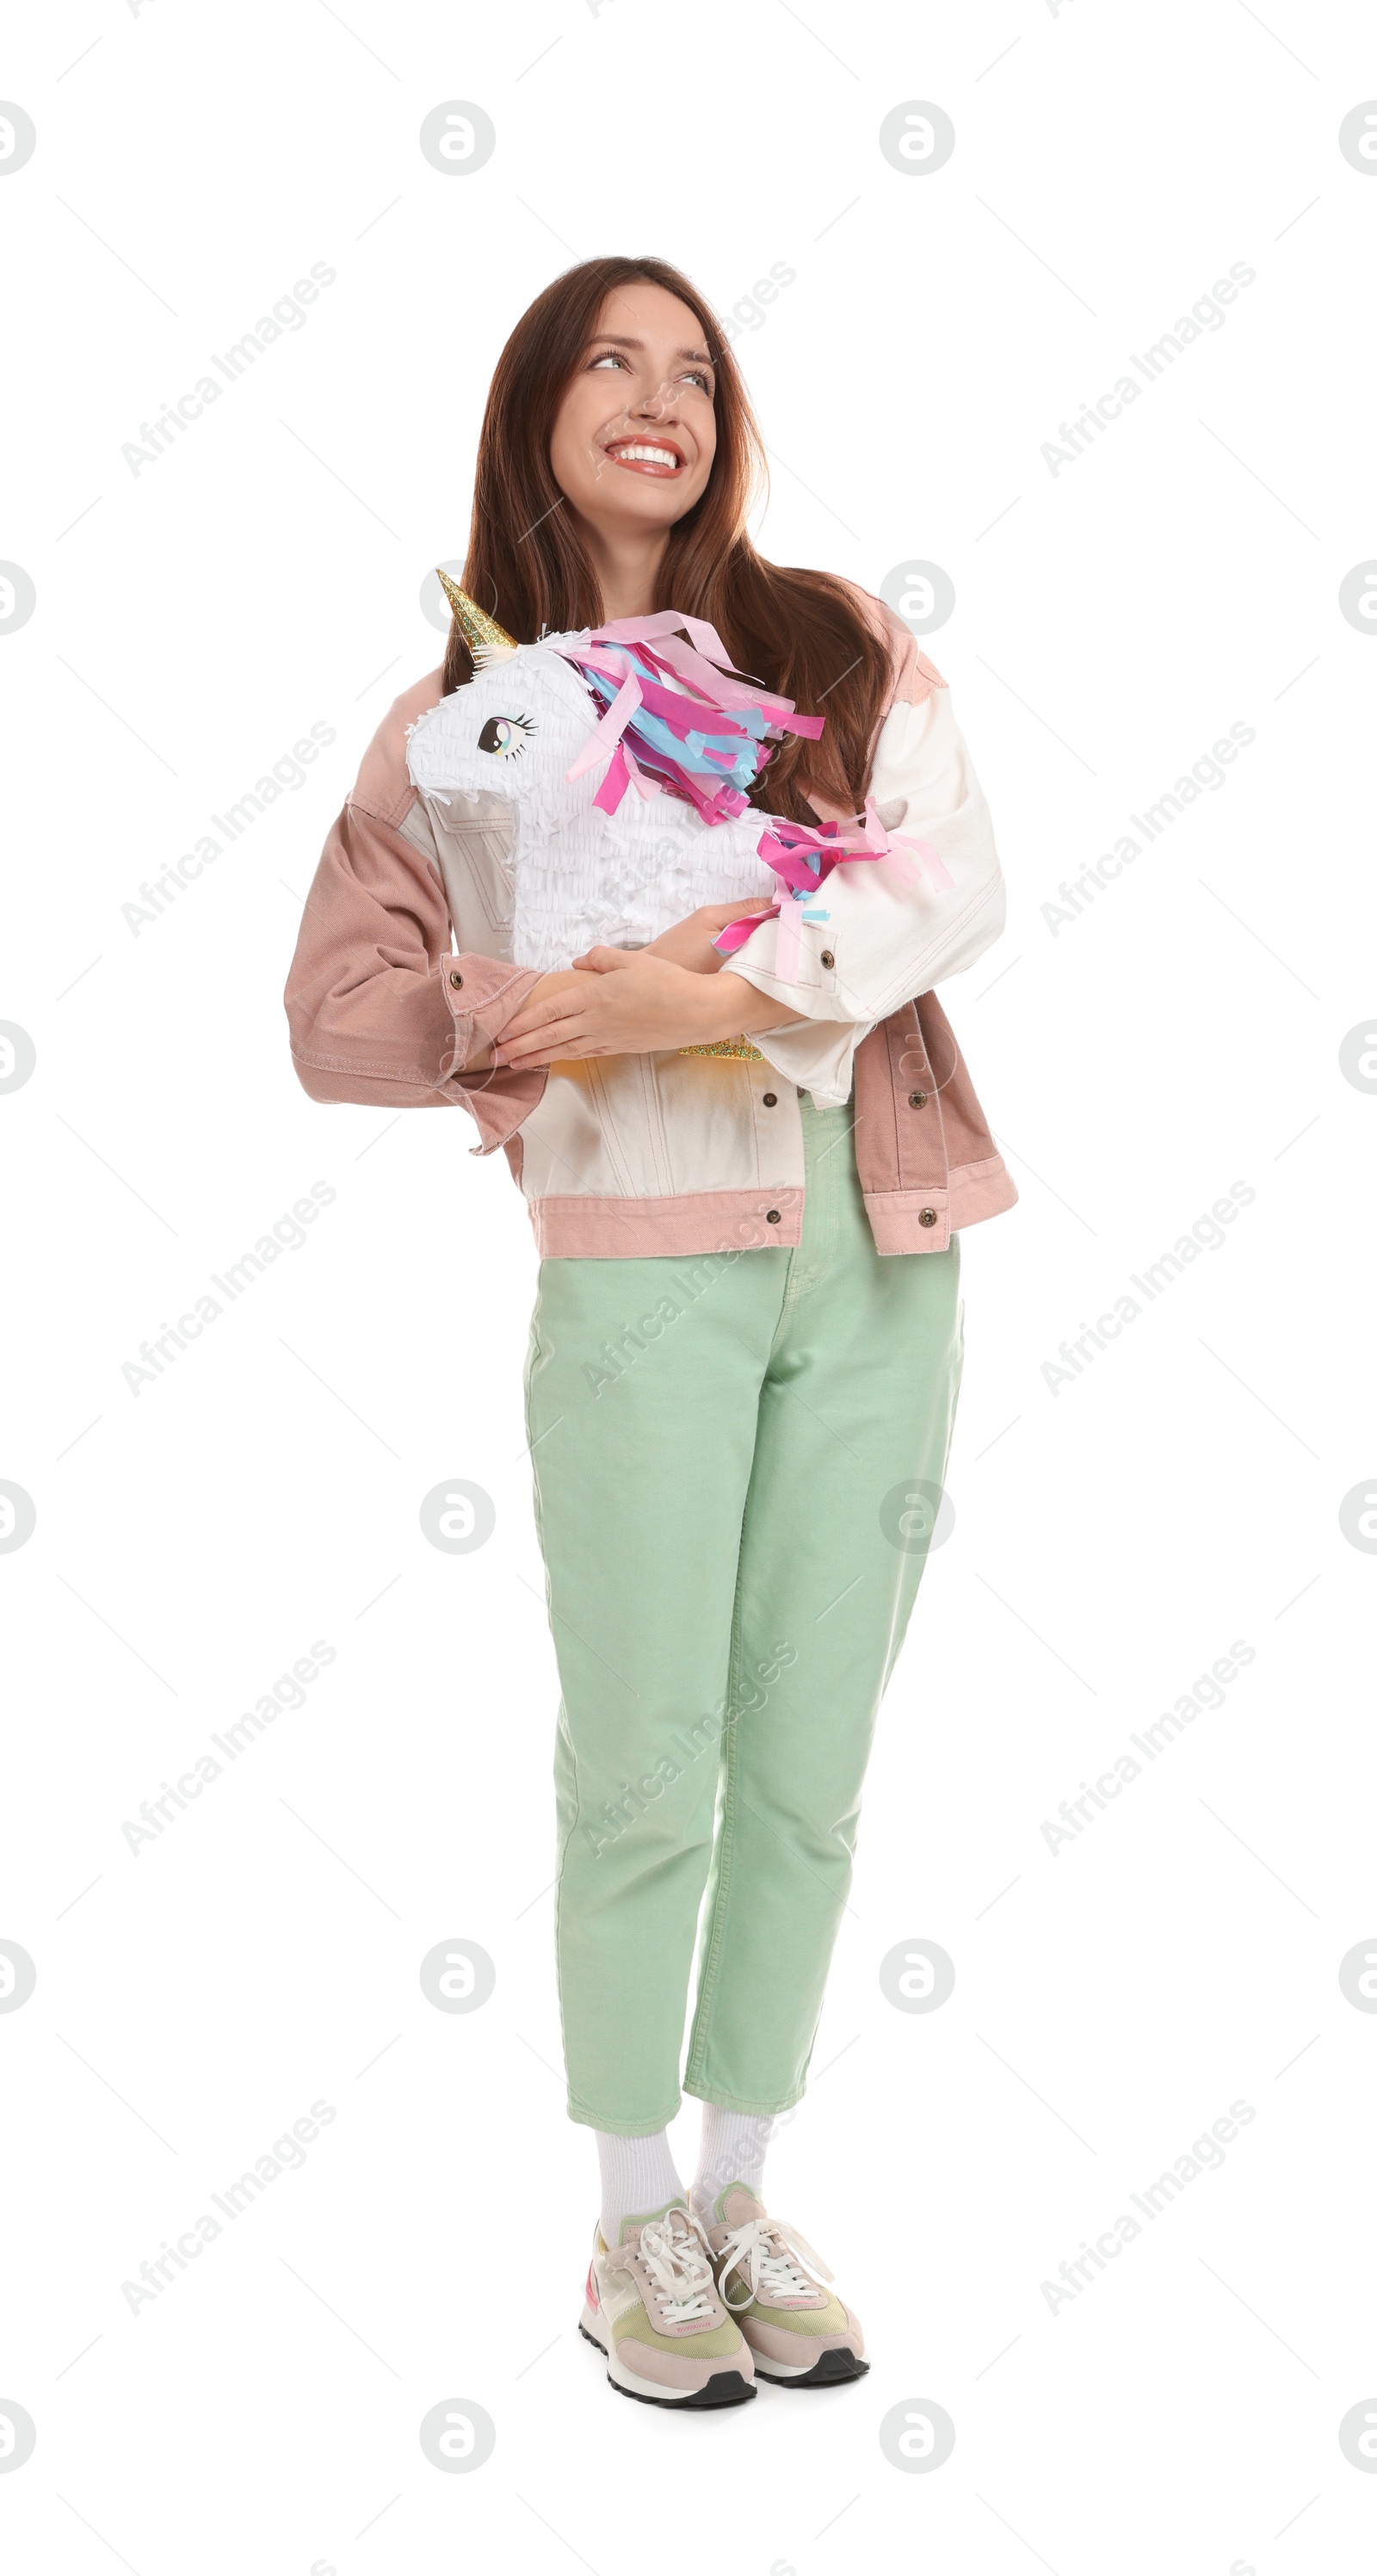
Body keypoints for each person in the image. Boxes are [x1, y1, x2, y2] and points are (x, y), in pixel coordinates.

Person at [285, 254, 1016, 2409]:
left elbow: (947, 878)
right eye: (611, 360)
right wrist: (532, 1014)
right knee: (645, 1769)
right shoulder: (463, 726)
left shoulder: (829, 646)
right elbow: (336, 1019)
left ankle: (737, 2185)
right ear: (536, 412)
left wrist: (710, 987)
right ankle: (623, 2219)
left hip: (880, 1249)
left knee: (806, 1765)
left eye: (693, 370)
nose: (658, 398)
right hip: (636, 1267)